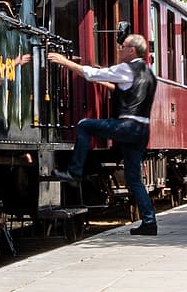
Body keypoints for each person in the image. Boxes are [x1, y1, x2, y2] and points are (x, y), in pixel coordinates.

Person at [48, 32, 159, 236]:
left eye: (123, 47)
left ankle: (74, 173)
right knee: (134, 179)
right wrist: (106, 83)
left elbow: (90, 73)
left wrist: (64, 62)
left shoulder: (126, 69)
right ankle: (149, 223)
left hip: (127, 126)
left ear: (132, 50)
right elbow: (126, 90)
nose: (120, 50)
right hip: (142, 130)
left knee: (84, 125)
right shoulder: (149, 73)